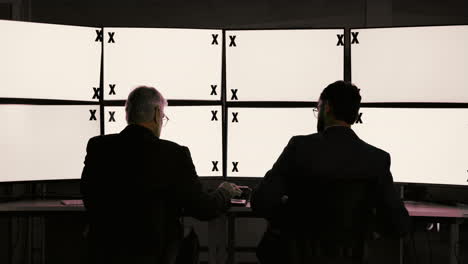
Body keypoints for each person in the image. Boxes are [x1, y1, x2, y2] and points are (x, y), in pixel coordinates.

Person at [251, 81, 410, 264]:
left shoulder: (299, 148)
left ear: (326, 107)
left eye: (317, 107)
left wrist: (289, 212)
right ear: (355, 113)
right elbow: (399, 225)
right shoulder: (377, 159)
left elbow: (261, 202)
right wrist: (366, 223)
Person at [80, 86, 241, 264]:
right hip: (153, 255)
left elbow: (89, 197)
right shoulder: (173, 154)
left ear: (128, 115)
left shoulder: (98, 147)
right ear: (157, 113)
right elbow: (203, 209)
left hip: (103, 253)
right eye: (163, 117)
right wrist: (224, 192)